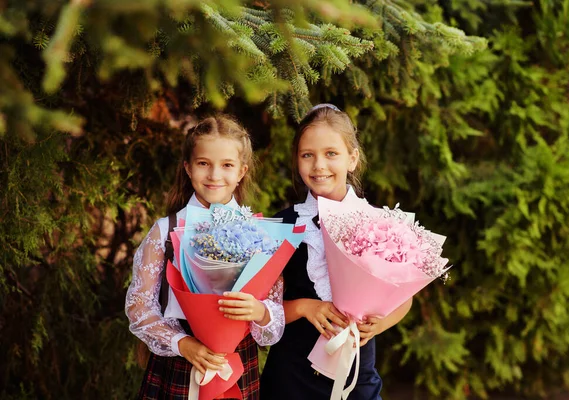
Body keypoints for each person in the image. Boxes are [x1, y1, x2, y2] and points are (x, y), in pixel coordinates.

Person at [125, 115, 284, 400]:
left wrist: (259, 312)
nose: (214, 175)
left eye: (226, 165)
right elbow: (139, 307)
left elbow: (274, 316)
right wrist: (182, 343)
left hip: (237, 360)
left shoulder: (261, 235)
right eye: (203, 163)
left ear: (241, 172)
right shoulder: (166, 230)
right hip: (181, 359)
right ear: (187, 167)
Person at [260, 104, 413, 399]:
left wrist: (380, 324)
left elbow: (405, 298)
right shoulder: (281, 225)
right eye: (308, 155)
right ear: (297, 160)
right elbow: (261, 310)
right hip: (290, 380)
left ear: (352, 159)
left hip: (355, 377)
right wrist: (305, 307)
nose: (319, 165)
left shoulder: (380, 224)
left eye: (331, 153)